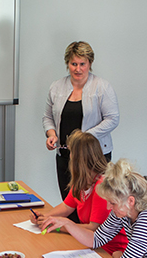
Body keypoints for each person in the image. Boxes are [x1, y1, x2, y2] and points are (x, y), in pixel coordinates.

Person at [43, 41, 119, 202]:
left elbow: (113, 119)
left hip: (94, 156)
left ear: (90, 63)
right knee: (69, 202)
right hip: (65, 155)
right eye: (73, 64)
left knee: (93, 204)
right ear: (67, 64)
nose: (78, 69)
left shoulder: (102, 87)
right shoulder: (56, 87)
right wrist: (51, 134)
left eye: (82, 64)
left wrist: (83, 139)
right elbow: (47, 116)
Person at [31, 130, 127, 254]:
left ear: (78, 159)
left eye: (71, 152)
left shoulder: (102, 186)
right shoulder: (82, 181)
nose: (69, 157)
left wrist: (58, 226)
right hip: (90, 245)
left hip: (108, 250)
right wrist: (45, 218)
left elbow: (93, 229)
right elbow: (66, 206)